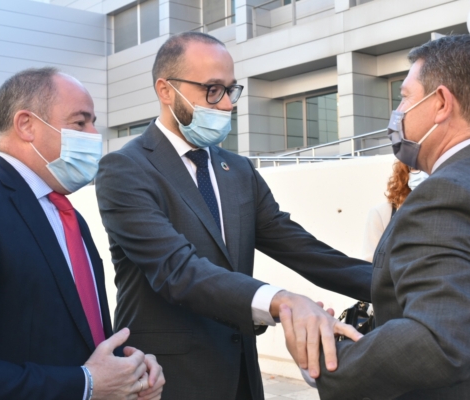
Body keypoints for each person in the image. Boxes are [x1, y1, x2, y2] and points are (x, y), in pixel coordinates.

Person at [95, 32, 372, 400]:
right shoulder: (125, 169)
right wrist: (281, 301)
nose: (226, 104)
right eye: (212, 89)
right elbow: (178, 271)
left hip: (241, 377)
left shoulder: (238, 170)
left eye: (230, 89)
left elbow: (300, 247)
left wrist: (395, 285)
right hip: (164, 381)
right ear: (165, 90)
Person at [282, 34, 470, 399]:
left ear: (442, 102)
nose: (397, 112)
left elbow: (437, 340)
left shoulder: (441, 195)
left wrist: (324, 358)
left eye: (404, 97)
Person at [0, 67, 165, 399]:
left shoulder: (67, 214)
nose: (94, 134)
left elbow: (80, 336)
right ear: (26, 125)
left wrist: (127, 371)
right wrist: (86, 385)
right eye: (80, 123)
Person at [361, 161, 428, 261]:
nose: (421, 174)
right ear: (404, 174)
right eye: (415, 168)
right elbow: (370, 263)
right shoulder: (382, 213)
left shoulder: (448, 209)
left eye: (427, 168)